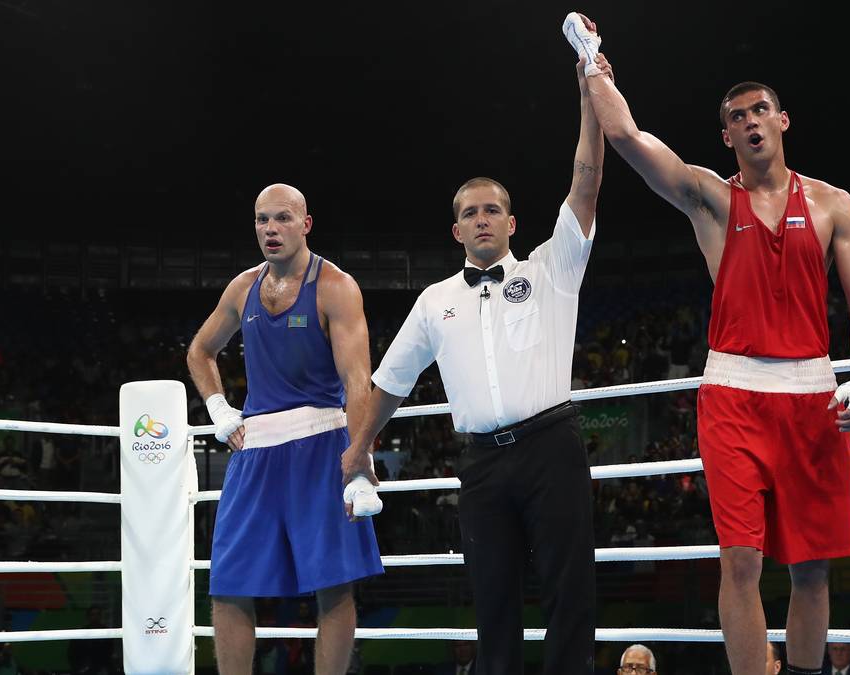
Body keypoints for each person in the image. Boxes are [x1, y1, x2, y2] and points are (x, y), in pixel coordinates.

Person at [565, 15, 850, 675]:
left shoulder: (833, 204)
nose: (750, 121)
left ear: (783, 120)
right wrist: (592, 63)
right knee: (740, 558)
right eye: (737, 115)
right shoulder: (711, 199)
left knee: (811, 566)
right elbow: (626, 135)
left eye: (760, 109)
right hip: (733, 393)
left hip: (812, 394)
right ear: (726, 134)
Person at [341, 47, 604, 674]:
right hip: (482, 463)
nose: (481, 218)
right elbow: (390, 383)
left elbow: (588, 177)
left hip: (551, 446)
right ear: (455, 231)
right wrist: (356, 451)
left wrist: (589, 94)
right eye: (469, 212)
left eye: (491, 209)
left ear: (512, 222)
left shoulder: (552, 268)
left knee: (571, 592)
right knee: (491, 602)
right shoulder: (434, 302)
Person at [187, 183, 384, 675]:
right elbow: (200, 351)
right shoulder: (242, 288)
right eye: (261, 220)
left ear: (305, 224)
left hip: (322, 442)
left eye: (282, 219)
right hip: (255, 449)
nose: (271, 230)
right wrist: (218, 407)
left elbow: (358, 378)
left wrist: (360, 457)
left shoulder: (336, 287)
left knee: (334, 584)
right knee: (229, 581)